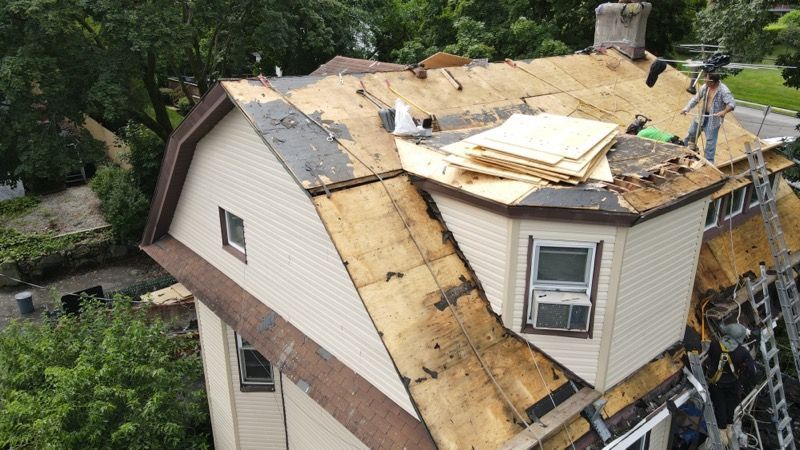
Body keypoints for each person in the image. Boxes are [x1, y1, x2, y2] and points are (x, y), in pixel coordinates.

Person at [703, 323, 757, 446]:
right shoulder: (742, 352)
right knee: (730, 406)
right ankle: (729, 427)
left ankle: (722, 432)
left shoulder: (715, 345)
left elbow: (710, 359)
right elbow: (752, 371)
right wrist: (743, 378)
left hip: (716, 383)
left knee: (719, 407)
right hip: (733, 383)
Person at [680, 72, 736, 163]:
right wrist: (687, 108)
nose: (705, 83)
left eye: (707, 81)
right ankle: (686, 152)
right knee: (691, 133)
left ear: (713, 82)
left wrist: (724, 111)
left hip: (713, 119)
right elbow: (696, 99)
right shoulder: (706, 87)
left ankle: (708, 163)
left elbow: (732, 104)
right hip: (701, 115)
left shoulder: (724, 90)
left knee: (710, 143)